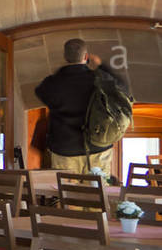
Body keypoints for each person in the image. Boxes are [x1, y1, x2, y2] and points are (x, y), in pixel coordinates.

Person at [34, 38, 127, 174]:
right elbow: (121, 88)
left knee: (68, 194)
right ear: (86, 57)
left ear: (65, 57)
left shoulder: (52, 83)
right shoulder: (98, 78)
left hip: (65, 150)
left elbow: (40, 92)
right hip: (98, 147)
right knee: (98, 193)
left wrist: (60, 73)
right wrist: (101, 66)